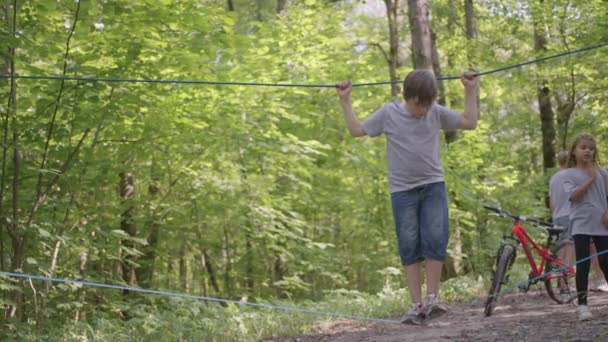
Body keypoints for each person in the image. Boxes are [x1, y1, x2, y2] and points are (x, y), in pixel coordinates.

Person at [336, 69, 479, 324]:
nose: (423, 110)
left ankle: (433, 298)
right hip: (402, 192)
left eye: (428, 104)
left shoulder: (435, 111)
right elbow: (357, 130)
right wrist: (345, 101)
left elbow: (470, 122)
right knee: (409, 245)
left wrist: (470, 90)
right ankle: (416, 305)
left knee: (435, 239)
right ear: (407, 95)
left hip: (433, 186)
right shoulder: (389, 113)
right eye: (418, 104)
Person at [563, 133, 608, 321]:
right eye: (583, 147)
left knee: (606, 261)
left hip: (602, 224)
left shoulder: (603, 173)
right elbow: (573, 196)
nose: (587, 151)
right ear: (574, 151)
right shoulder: (569, 174)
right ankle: (582, 306)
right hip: (580, 224)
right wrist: (589, 179)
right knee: (583, 262)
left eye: (590, 148)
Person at [549, 151, 575, 277]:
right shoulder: (571, 175)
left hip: (556, 217)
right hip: (569, 215)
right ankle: (565, 283)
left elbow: (551, 202)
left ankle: (561, 282)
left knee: (560, 248)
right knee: (569, 246)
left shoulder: (554, 178)